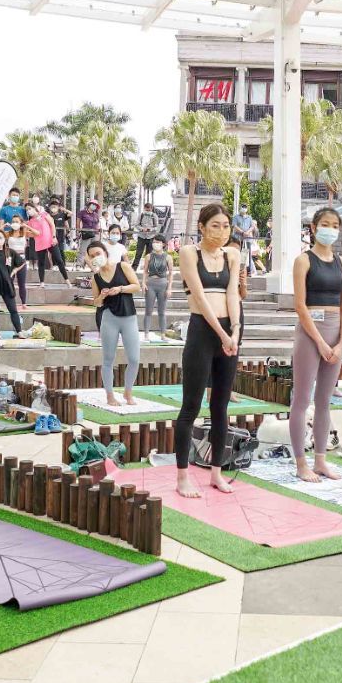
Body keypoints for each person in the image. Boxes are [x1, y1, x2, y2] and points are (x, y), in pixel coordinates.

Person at [175, 204, 244, 498]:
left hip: (229, 334)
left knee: (221, 407)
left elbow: (232, 294)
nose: (222, 232)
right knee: (190, 406)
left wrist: (236, 330)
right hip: (203, 332)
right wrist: (222, 333)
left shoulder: (233, 255)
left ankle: (216, 472)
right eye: (215, 225)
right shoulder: (189, 252)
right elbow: (200, 298)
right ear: (202, 226)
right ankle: (182, 477)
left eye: (226, 226)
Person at [289, 207, 342, 481]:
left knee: (324, 401)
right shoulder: (303, 260)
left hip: (334, 333)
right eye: (325, 224)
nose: (330, 229)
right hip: (309, 333)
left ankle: (320, 460)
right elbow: (300, 306)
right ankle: (301, 463)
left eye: (335, 225)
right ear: (313, 228)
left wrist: (340, 343)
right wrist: (319, 341)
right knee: (302, 400)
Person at [89, 237, 144, 408]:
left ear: (105, 253)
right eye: (92, 256)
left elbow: (137, 286)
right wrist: (103, 296)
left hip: (129, 317)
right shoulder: (96, 278)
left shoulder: (123, 266)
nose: (96, 257)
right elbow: (96, 302)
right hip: (109, 318)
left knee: (134, 358)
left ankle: (128, 392)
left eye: (98, 253)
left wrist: (120, 289)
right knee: (108, 359)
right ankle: (110, 395)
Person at [0, 227, 24, 335]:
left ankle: (19, 331)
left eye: (0, 237)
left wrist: (13, 272)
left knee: (13, 309)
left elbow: (21, 262)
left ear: (4, 239)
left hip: (7, 284)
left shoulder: (9, 252)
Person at [28, 201, 66, 283]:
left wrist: (54, 237)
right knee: (41, 263)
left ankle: (67, 280)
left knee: (59, 260)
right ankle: (42, 282)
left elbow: (52, 225)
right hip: (40, 244)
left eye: (29, 209)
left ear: (35, 209)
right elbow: (31, 234)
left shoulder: (44, 214)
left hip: (50, 241)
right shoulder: (30, 221)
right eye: (27, 210)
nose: (28, 211)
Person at [142, 239, 173, 337]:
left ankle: (163, 333)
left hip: (163, 284)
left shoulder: (168, 257)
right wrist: (143, 283)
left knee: (162, 311)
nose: (156, 244)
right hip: (151, 283)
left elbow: (171, 274)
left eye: (158, 242)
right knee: (148, 310)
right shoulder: (148, 256)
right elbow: (145, 271)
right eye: (154, 242)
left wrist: (169, 288)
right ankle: (146, 333)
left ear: (163, 244)